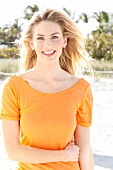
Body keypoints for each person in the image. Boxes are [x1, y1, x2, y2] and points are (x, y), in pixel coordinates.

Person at [0, 8, 94, 170]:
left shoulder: (81, 89)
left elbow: (84, 149)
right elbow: (13, 152)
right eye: (40, 38)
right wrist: (63, 155)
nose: (48, 44)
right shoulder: (14, 87)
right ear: (32, 43)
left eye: (55, 37)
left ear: (65, 41)